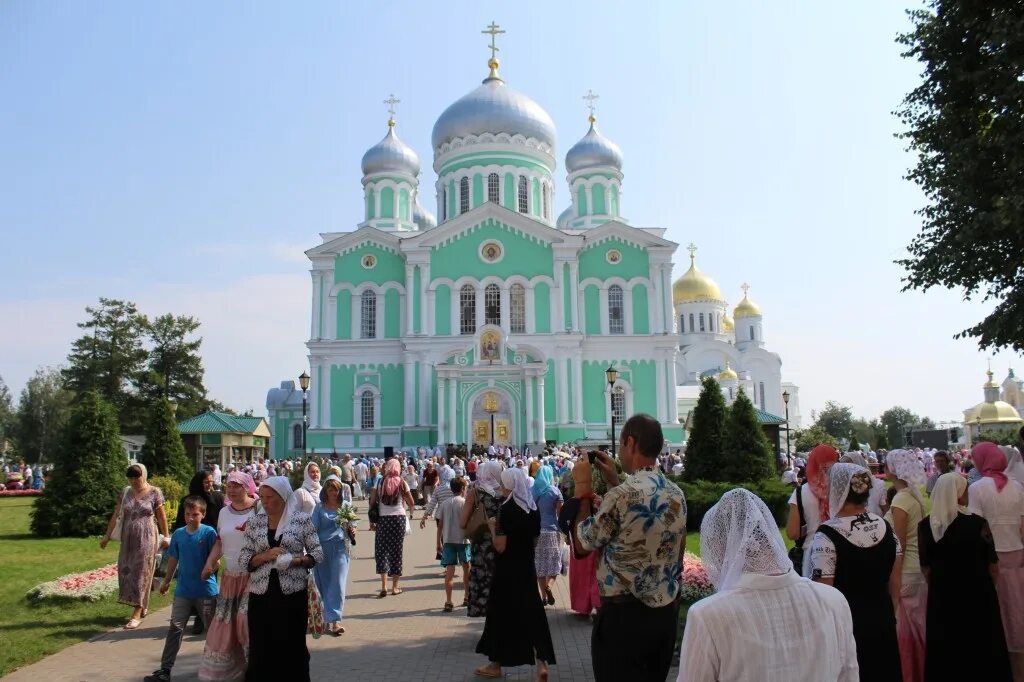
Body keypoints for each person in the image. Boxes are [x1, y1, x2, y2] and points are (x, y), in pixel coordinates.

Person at [678, 489, 858, 682]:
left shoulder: (708, 615)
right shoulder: (832, 599)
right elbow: (849, 674)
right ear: (770, 537)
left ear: (721, 550)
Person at [573, 414, 687, 682]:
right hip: (664, 615)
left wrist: (583, 490)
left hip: (623, 618)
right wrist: (616, 480)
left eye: (622, 445)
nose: (620, 452)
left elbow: (582, 545)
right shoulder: (675, 494)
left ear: (631, 443)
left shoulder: (620, 496)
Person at [810, 463, 902, 682]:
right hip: (883, 619)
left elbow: (825, 594)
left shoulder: (827, 535)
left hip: (847, 628)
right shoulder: (885, 526)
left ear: (837, 490)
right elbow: (896, 582)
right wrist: (890, 613)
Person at [919, 472, 1011, 680]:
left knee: (947, 649)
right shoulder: (978, 524)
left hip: (942, 598)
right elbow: (993, 564)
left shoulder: (927, 526)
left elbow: (925, 568)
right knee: (980, 646)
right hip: (978, 594)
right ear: (957, 493)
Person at [238, 476, 323, 682]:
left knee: (292, 647)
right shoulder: (255, 523)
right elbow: (243, 560)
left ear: (284, 497)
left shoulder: (301, 520)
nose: (265, 502)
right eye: (263, 498)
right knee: (260, 648)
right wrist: (264, 556)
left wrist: (296, 561)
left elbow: (317, 554)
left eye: (270, 498)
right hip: (261, 596)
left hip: (292, 596)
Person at [474, 468, 555, 680]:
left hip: (506, 572)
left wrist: (491, 527)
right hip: (526, 569)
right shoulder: (532, 508)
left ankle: (495, 664)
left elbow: (500, 546)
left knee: (500, 615)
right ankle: (542, 664)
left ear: (509, 485)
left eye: (503, 483)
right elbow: (535, 539)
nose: (501, 486)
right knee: (533, 615)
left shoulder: (505, 509)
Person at [145, 496, 220, 682]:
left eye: (195, 514)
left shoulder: (209, 533)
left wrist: (210, 568)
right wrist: (167, 581)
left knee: (212, 631)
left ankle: (216, 667)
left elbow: (216, 559)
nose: (191, 518)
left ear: (202, 514)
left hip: (206, 592)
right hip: (183, 592)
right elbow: (173, 559)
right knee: (175, 628)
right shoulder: (178, 534)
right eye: (188, 514)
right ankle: (165, 670)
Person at [968, 441, 1024, 678]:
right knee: (1018, 603)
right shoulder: (1018, 487)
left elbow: (976, 527)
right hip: (1016, 550)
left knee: (997, 606)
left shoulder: (977, 488)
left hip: (992, 554)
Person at [198, 470, 259, 682]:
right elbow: (219, 542)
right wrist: (209, 563)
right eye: (229, 486)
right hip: (230, 577)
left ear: (247, 487)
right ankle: (232, 671)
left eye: (237, 486)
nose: (232, 490)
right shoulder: (224, 512)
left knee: (245, 621)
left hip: (255, 576)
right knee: (226, 626)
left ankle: (257, 667)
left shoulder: (259, 509)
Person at [100, 463, 169, 630]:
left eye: (136, 477)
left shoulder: (154, 492)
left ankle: (137, 612)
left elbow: (161, 517)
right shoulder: (125, 492)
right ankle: (148, 591)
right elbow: (116, 515)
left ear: (143, 475)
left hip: (147, 538)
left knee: (140, 573)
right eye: (130, 477)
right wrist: (107, 536)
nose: (133, 481)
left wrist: (166, 536)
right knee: (126, 571)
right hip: (128, 540)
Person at [884, 448, 929, 681]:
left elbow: (898, 543)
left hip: (906, 572)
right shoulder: (912, 496)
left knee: (905, 636)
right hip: (916, 569)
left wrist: (894, 579)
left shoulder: (901, 499)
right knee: (918, 633)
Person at [787, 444, 839, 577]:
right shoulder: (841, 490)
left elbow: (793, 533)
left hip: (811, 554)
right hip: (840, 550)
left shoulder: (800, 492)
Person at [311, 475, 354, 636]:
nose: (333, 493)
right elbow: (312, 528)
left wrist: (352, 528)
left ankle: (335, 621)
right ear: (326, 491)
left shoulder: (346, 506)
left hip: (340, 549)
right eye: (330, 489)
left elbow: (352, 523)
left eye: (336, 489)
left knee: (338, 583)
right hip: (321, 550)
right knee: (324, 583)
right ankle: (325, 617)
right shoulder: (319, 508)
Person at [461, 459, 504, 617]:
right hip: (502, 545)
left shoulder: (475, 493)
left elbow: (462, 522)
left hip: (481, 546)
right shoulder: (507, 492)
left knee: (484, 581)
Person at [370, 458, 415, 598]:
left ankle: (384, 586)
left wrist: (372, 520)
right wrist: (411, 511)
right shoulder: (402, 482)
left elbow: (372, 502)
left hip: (383, 520)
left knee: (381, 551)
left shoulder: (380, 482)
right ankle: (395, 587)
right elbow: (411, 502)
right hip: (398, 520)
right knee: (396, 552)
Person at [437, 476, 471, 612]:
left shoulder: (445, 503)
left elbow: (440, 525)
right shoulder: (464, 502)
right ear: (463, 489)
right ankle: (467, 596)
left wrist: (438, 542)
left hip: (448, 541)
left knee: (449, 572)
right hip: (463, 540)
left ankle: (448, 601)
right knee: (466, 569)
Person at [531, 464, 563, 606]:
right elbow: (560, 514)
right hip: (551, 531)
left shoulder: (532, 491)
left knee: (540, 566)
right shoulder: (555, 491)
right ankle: (549, 585)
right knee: (555, 563)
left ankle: (543, 597)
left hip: (536, 532)